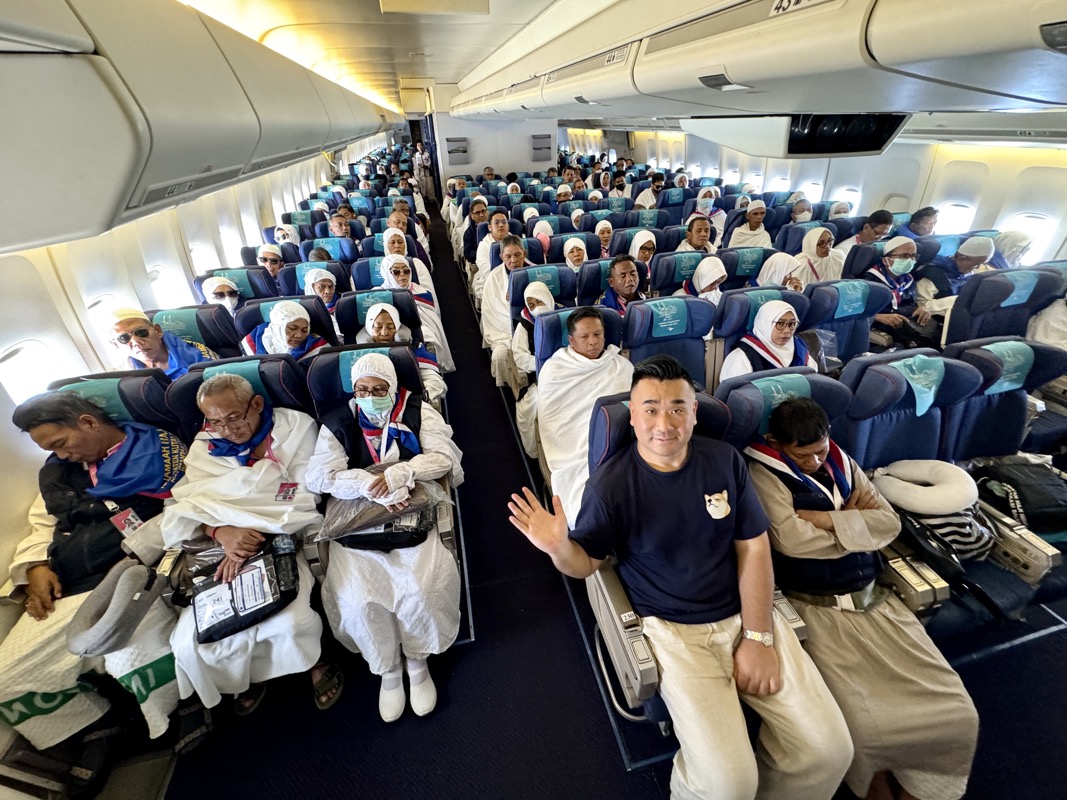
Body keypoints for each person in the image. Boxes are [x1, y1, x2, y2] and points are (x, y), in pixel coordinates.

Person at [509, 356, 853, 800]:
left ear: (695, 412)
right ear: (632, 416)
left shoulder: (724, 461)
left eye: (677, 408)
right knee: (729, 784)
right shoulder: (610, 486)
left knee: (830, 750)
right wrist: (559, 547)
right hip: (674, 634)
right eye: (650, 408)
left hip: (746, 614)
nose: (663, 423)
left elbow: (754, 548)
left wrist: (758, 637)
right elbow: (587, 564)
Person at [746, 398, 978, 800]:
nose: (816, 462)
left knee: (959, 713)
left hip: (876, 600)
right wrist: (855, 526)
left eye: (821, 450)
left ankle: (918, 785)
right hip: (816, 608)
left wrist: (822, 520)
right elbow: (790, 540)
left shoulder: (841, 461)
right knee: (864, 729)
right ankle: (876, 783)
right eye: (803, 455)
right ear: (776, 443)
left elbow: (888, 523)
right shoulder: (762, 472)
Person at [0, 393, 184, 762]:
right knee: (5, 675)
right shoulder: (56, 471)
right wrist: (36, 566)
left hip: (134, 574)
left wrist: (139, 553)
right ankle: (97, 722)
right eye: (50, 449)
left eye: (61, 444)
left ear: (87, 422)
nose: (61, 455)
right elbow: (45, 524)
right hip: (68, 583)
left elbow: (185, 509)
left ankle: (178, 712)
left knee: (127, 657)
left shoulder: (159, 455)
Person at [161, 374, 340, 714]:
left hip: (286, 537)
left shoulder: (296, 427)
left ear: (256, 404)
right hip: (222, 546)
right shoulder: (205, 445)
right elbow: (185, 504)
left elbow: (307, 494)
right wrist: (223, 534)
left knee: (291, 622)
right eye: (214, 421)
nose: (226, 430)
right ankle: (243, 678)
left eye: (233, 418)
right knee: (192, 641)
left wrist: (253, 533)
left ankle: (317, 661)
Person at [306, 353, 463, 722]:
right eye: (363, 389)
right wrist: (365, 482)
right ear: (353, 390)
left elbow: (444, 458)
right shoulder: (338, 422)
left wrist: (403, 472)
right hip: (358, 523)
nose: (371, 395)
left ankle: (417, 661)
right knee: (359, 600)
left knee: (420, 590)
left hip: (410, 514)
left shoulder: (417, 411)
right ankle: (389, 670)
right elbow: (318, 476)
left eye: (380, 389)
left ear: (393, 388)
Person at [535, 307, 632, 523]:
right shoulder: (555, 370)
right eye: (584, 336)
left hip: (618, 438)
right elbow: (555, 419)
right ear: (571, 340)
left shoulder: (621, 365)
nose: (593, 342)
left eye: (597, 335)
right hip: (575, 444)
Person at [378, 254, 455, 373]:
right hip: (388, 334)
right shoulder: (377, 295)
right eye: (396, 272)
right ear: (387, 274)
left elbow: (430, 320)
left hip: (418, 333)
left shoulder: (421, 291)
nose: (402, 274)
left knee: (427, 335)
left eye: (406, 271)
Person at [357, 302, 446, 402]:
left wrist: (417, 399)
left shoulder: (413, 350)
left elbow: (435, 381)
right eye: (378, 327)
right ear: (369, 328)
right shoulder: (355, 355)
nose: (384, 333)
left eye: (390, 327)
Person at [512, 281, 558, 458]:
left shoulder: (565, 316)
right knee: (535, 404)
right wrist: (545, 365)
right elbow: (520, 357)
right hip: (540, 376)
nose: (536, 308)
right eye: (531, 305)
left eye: (539, 302)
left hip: (569, 373)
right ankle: (535, 452)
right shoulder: (524, 324)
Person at [720, 300, 817, 381]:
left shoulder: (800, 350)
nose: (787, 331)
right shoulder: (741, 358)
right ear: (765, 324)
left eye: (792, 324)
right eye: (780, 323)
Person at [481, 235, 532, 385]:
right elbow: (491, 310)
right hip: (503, 333)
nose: (513, 261)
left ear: (525, 253)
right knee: (499, 356)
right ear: (501, 256)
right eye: (508, 256)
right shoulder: (494, 278)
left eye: (517, 255)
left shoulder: (536, 273)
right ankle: (510, 390)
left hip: (531, 328)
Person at [913, 235, 996, 326]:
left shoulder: (965, 273)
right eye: (976, 265)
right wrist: (959, 301)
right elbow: (922, 305)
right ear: (962, 259)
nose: (976, 268)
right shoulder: (933, 273)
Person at [112, 307, 218, 378]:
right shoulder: (123, 371)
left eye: (141, 332)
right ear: (116, 345)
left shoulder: (196, 355)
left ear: (158, 331)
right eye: (123, 338)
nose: (136, 342)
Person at [241, 300, 327, 358]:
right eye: (292, 328)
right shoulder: (253, 341)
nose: (299, 335)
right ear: (278, 327)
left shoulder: (316, 349)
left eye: (304, 330)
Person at [473, 210, 513, 301]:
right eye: (496, 222)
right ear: (490, 227)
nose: (501, 225)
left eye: (504, 222)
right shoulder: (483, 246)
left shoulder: (517, 241)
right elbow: (488, 274)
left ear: (508, 226)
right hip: (492, 282)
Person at [459, 196, 489, 272]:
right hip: (477, 264)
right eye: (477, 213)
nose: (481, 215)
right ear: (472, 216)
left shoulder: (495, 227)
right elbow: (468, 253)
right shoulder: (468, 233)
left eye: (483, 211)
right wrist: (484, 255)